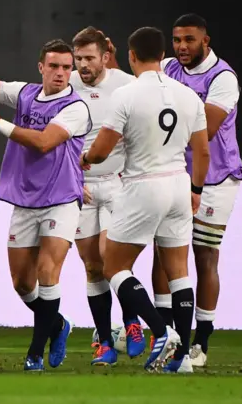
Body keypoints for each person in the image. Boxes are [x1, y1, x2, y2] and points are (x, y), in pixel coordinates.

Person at [81, 26, 210, 373]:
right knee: (179, 272)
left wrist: (86, 158)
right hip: (179, 185)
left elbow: (103, 149)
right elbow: (202, 152)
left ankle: (161, 331)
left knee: (113, 267)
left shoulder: (126, 94)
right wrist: (196, 191)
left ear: (132, 56)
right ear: (164, 54)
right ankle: (181, 360)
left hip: (143, 183)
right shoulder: (188, 96)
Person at [0, 39, 90, 372]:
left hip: (61, 199)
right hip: (25, 201)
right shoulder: (25, 93)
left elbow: (44, 142)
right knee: (22, 283)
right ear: (41, 67)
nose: (61, 73)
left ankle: (35, 352)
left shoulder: (76, 107)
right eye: (54, 66)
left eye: (67, 67)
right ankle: (57, 325)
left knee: (48, 272)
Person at [148, 13, 242, 368]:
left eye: (189, 40)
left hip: (216, 177)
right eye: (176, 40)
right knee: (164, 253)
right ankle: (168, 335)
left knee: (205, 257)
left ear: (206, 40)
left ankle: (201, 340)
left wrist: (156, 127)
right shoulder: (169, 68)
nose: (182, 47)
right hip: (174, 174)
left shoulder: (223, 78)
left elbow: (207, 127)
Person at [69, 26, 146, 364]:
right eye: (79, 58)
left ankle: (132, 323)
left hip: (117, 183)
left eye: (89, 58)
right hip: (80, 187)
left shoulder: (126, 85)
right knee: (91, 266)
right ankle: (103, 341)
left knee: (112, 258)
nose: (83, 65)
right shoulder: (66, 85)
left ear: (104, 56)